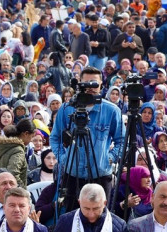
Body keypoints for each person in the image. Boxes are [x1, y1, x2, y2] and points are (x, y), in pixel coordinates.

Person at [51, 67, 125, 211]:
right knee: (71, 217)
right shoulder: (67, 108)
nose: (90, 88)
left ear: (101, 85)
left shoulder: (112, 110)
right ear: (79, 84)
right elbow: (55, 137)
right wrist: (63, 158)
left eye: (94, 84)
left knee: (100, 217)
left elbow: (121, 140)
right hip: (72, 174)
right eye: (86, 83)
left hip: (101, 174)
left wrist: (110, 158)